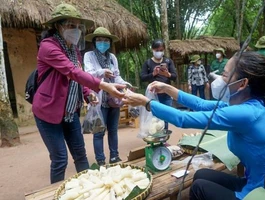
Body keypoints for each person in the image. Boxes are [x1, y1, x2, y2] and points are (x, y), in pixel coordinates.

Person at [123, 51, 265, 200]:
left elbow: (183, 119)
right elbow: (200, 104)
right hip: (255, 184)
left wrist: (146, 103)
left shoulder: (246, 114)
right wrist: (168, 89)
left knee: (199, 187)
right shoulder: (247, 107)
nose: (219, 79)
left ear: (243, 83)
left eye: (225, 74)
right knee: (201, 175)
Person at [33, 3, 125, 184]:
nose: (75, 30)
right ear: (57, 27)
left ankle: (88, 190)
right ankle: (55, 194)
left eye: (78, 26)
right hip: (48, 112)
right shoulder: (48, 47)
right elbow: (72, 72)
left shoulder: (74, 50)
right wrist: (104, 86)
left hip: (70, 112)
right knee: (60, 160)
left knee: (81, 156)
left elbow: (76, 78)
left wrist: (87, 92)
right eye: (70, 26)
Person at [84, 27, 130, 166]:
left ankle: (114, 156)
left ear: (110, 42)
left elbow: (117, 76)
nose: (102, 42)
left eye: (105, 40)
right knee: (98, 132)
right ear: (94, 41)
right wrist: (102, 72)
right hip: (98, 98)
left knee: (113, 130)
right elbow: (88, 75)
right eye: (99, 40)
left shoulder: (112, 57)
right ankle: (100, 160)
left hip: (113, 98)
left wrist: (124, 83)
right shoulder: (89, 56)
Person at [140, 39, 177, 130]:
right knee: (154, 119)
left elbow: (174, 76)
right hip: (153, 95)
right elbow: (142, 77)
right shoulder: (148, 63)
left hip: (167, 95)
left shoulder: (168, 61)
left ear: (164, 50)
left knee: (166, 117)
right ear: (152, 50)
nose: (159, 52)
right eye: (157, 50)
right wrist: (153, 74)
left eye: (161, 50)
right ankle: (157, 139)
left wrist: (167, 74)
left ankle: (164, 139)